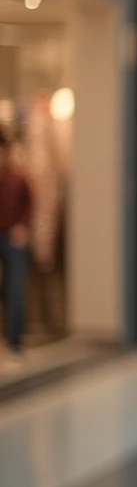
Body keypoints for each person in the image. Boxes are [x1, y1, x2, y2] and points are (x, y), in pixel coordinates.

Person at [0, 138, 32, 359]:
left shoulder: (19, 179)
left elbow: (30, 206)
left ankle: (15, 342)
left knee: (15, 289)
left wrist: (23, 226)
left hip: (13, 239)